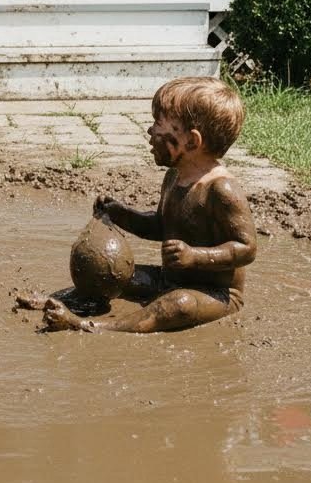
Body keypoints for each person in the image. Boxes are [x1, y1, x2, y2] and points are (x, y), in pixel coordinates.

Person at [17, 76, 256, 334]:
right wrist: (121, 214)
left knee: (179, 304)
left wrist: (195, 255)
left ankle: (90, 325)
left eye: (159, 124)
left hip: (215, 294)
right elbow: (160, 226)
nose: (150, 132)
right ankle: (64, 300)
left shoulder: (221, 189)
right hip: (169, 279)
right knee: (117, 274)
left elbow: (247, 248)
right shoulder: (174, 176)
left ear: (191, 141)